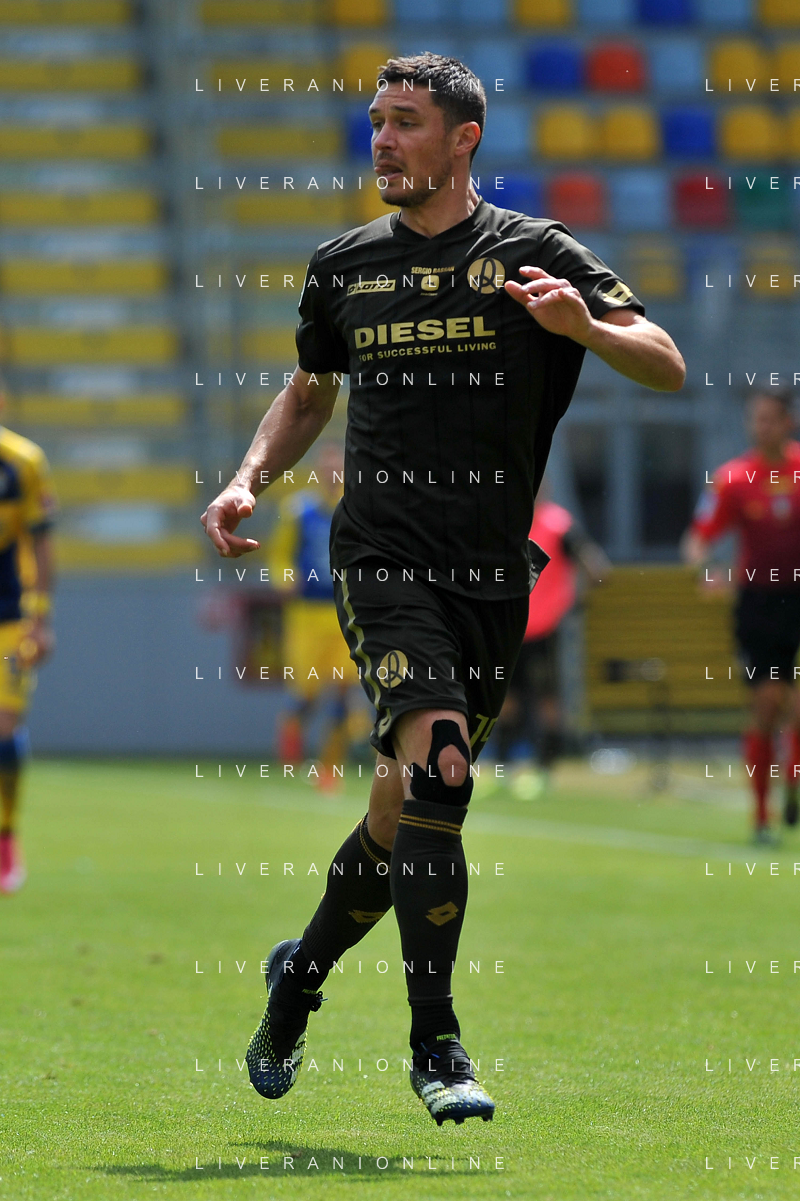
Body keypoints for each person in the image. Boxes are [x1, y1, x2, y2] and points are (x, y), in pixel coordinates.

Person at [201, 53, 684, 1126]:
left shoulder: (535, 253)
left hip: (490, 575)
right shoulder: (343, 265)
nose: (382, 139)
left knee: (400, 809)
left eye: (406, 121)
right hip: (381, 558)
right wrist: (245, 479)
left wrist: (584, 329)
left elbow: (664, 360)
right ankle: (437, 1043)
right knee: (445, 770)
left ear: (463, 139)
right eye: (376, 120)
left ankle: (298, 977)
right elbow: (307, 393)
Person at [682, 387, 800, 843]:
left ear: (788, 422)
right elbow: (698, 538)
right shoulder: (732, 479)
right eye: (756, 419)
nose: (761, 427)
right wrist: (705, 571)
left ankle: (793, 784)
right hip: (760, 604)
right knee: (767, 707)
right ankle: (762, 815)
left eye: (769, 419)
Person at [492, 485, 610, 787]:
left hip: (544, 628)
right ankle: (504, 766)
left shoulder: (557, 525)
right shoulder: (504, 522)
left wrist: (576, 599)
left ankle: (545, 766)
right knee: (507, 698)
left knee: (546, 699)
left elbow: (596, 567)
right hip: (510, 627)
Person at [267, 443, 368, 784]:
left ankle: (329, 770)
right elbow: (279, 556)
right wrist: (285, 578)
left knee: (343, 691)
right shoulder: (299, 510)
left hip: (343, 614)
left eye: (338, 467)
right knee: (306, 694)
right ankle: (291, 747)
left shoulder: (355, 509)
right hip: (305, 616)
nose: (332, 473)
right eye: (327, 467)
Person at [0, 376, 57, 893]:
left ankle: (5, 838)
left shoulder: (22, 463)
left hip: (9, 617)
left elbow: (41, 544)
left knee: (4, 728)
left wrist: (40, 620)